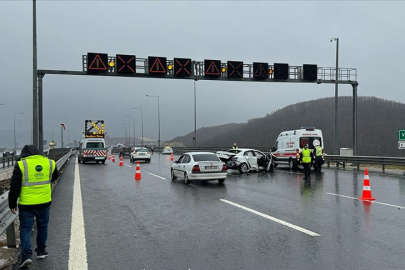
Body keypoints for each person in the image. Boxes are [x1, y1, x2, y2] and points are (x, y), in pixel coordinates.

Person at [8, 145, 59, 269]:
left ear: (25, 154)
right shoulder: (50, 163)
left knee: (25, 229)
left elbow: (14, 186)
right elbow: (55, 177)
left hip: (27, 204)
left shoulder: (21, 165)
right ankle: (41, 252)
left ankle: (26, 256)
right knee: (43, 226)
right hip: (44, 201)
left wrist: (12, 203)